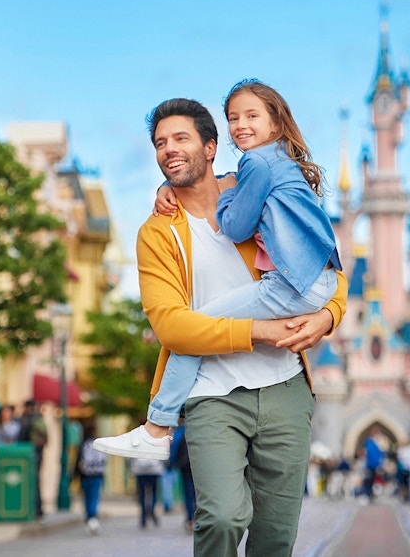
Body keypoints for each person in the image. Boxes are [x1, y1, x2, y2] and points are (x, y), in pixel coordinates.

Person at [95, 95, 347, 555]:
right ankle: (158, 427)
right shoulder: (157, 232)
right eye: (159, 142)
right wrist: (258, 332)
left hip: (286, 388)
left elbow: (324, 262)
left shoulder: (255, 188)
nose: (168, 149)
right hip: (212, 394)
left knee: (276, 537)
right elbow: (173, 328)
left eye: (180, 138)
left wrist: (329, 315)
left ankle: (155, 428)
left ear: (211, 147)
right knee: (224, 518)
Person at [18, 399, 48, 519]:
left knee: (33, 481)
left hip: (32, 454)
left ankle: (36, 509)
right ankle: (34, 509)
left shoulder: (31, 420)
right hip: (29, 453)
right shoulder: (34, 419)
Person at [75, 425, 107, 535]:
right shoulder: (99, 445)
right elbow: (104, 460)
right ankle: (93, 518)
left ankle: (90, 518)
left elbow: (79, 461)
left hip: (86, 475)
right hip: (97, 475)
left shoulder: (84, 445)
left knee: (87, 498)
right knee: (94, 498)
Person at [130, 456, 165, 528]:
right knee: (154, 493)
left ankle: (143, 517)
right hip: (154, 468)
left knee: (142, 494)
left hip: (140, 468)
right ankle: (151, 510)